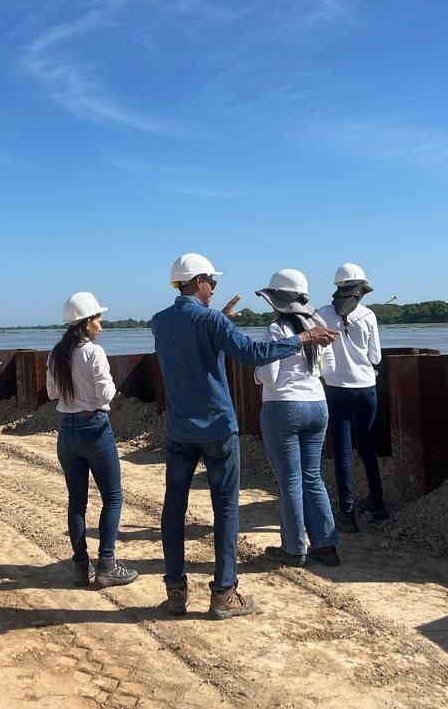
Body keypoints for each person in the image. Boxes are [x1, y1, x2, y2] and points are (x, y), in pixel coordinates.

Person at [151, 254, 337, 620]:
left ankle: (175, 592)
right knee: (225, 510)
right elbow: (253, 354)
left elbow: (193, 341)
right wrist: (303, 337)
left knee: (173, 509)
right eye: (212, 282)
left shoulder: (159, 321)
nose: (214, 288)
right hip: (218, 429)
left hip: (178, 429)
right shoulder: (210, 319)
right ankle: (223, 593)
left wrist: (219, 320)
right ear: (198, 280)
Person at [46, 291, 139, 589]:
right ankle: (107, 564)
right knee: (113, 497)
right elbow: (106, 395)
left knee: (77, 502)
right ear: (86, 323)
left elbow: (51, 394)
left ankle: (80, 566)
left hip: (67, 431)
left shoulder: (56, 353)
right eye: (98, 318)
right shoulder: (93, 353)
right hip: (94, 428)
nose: (101, 324)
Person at [254, 270, 340, 568]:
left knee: (290, 480)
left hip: (283, 407)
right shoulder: (319, 324)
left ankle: (293, 548)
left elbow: (269, 374)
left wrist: (256, 372)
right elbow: (328, 368)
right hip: (317, 405)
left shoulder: (277, 329)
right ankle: (326, 546)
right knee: (312, 476)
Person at [318, 262, 385, 533]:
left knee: (343, 451)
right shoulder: (367, 315)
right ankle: (377, 504)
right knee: (368, 446)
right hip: (366, 387)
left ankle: (346, 512)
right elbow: (376, 357)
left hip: (336, 389)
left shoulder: (321, 314)